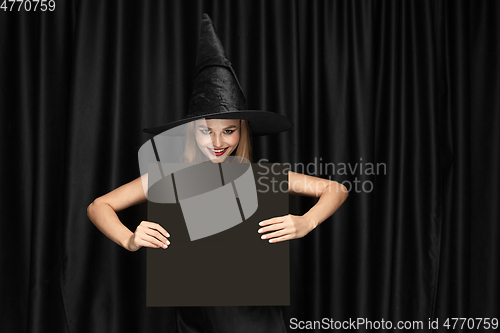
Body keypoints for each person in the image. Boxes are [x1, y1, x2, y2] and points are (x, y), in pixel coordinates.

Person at [87, 14, 348, 333]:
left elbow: (336, 189)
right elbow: (98, 206)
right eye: (205, 131)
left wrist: (307, 221)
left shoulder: (261, 177)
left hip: (255, 321)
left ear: (242, 133)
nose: (217, 142)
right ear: (191, 133)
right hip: (193, 321)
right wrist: (128, 238)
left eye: (228, 131)